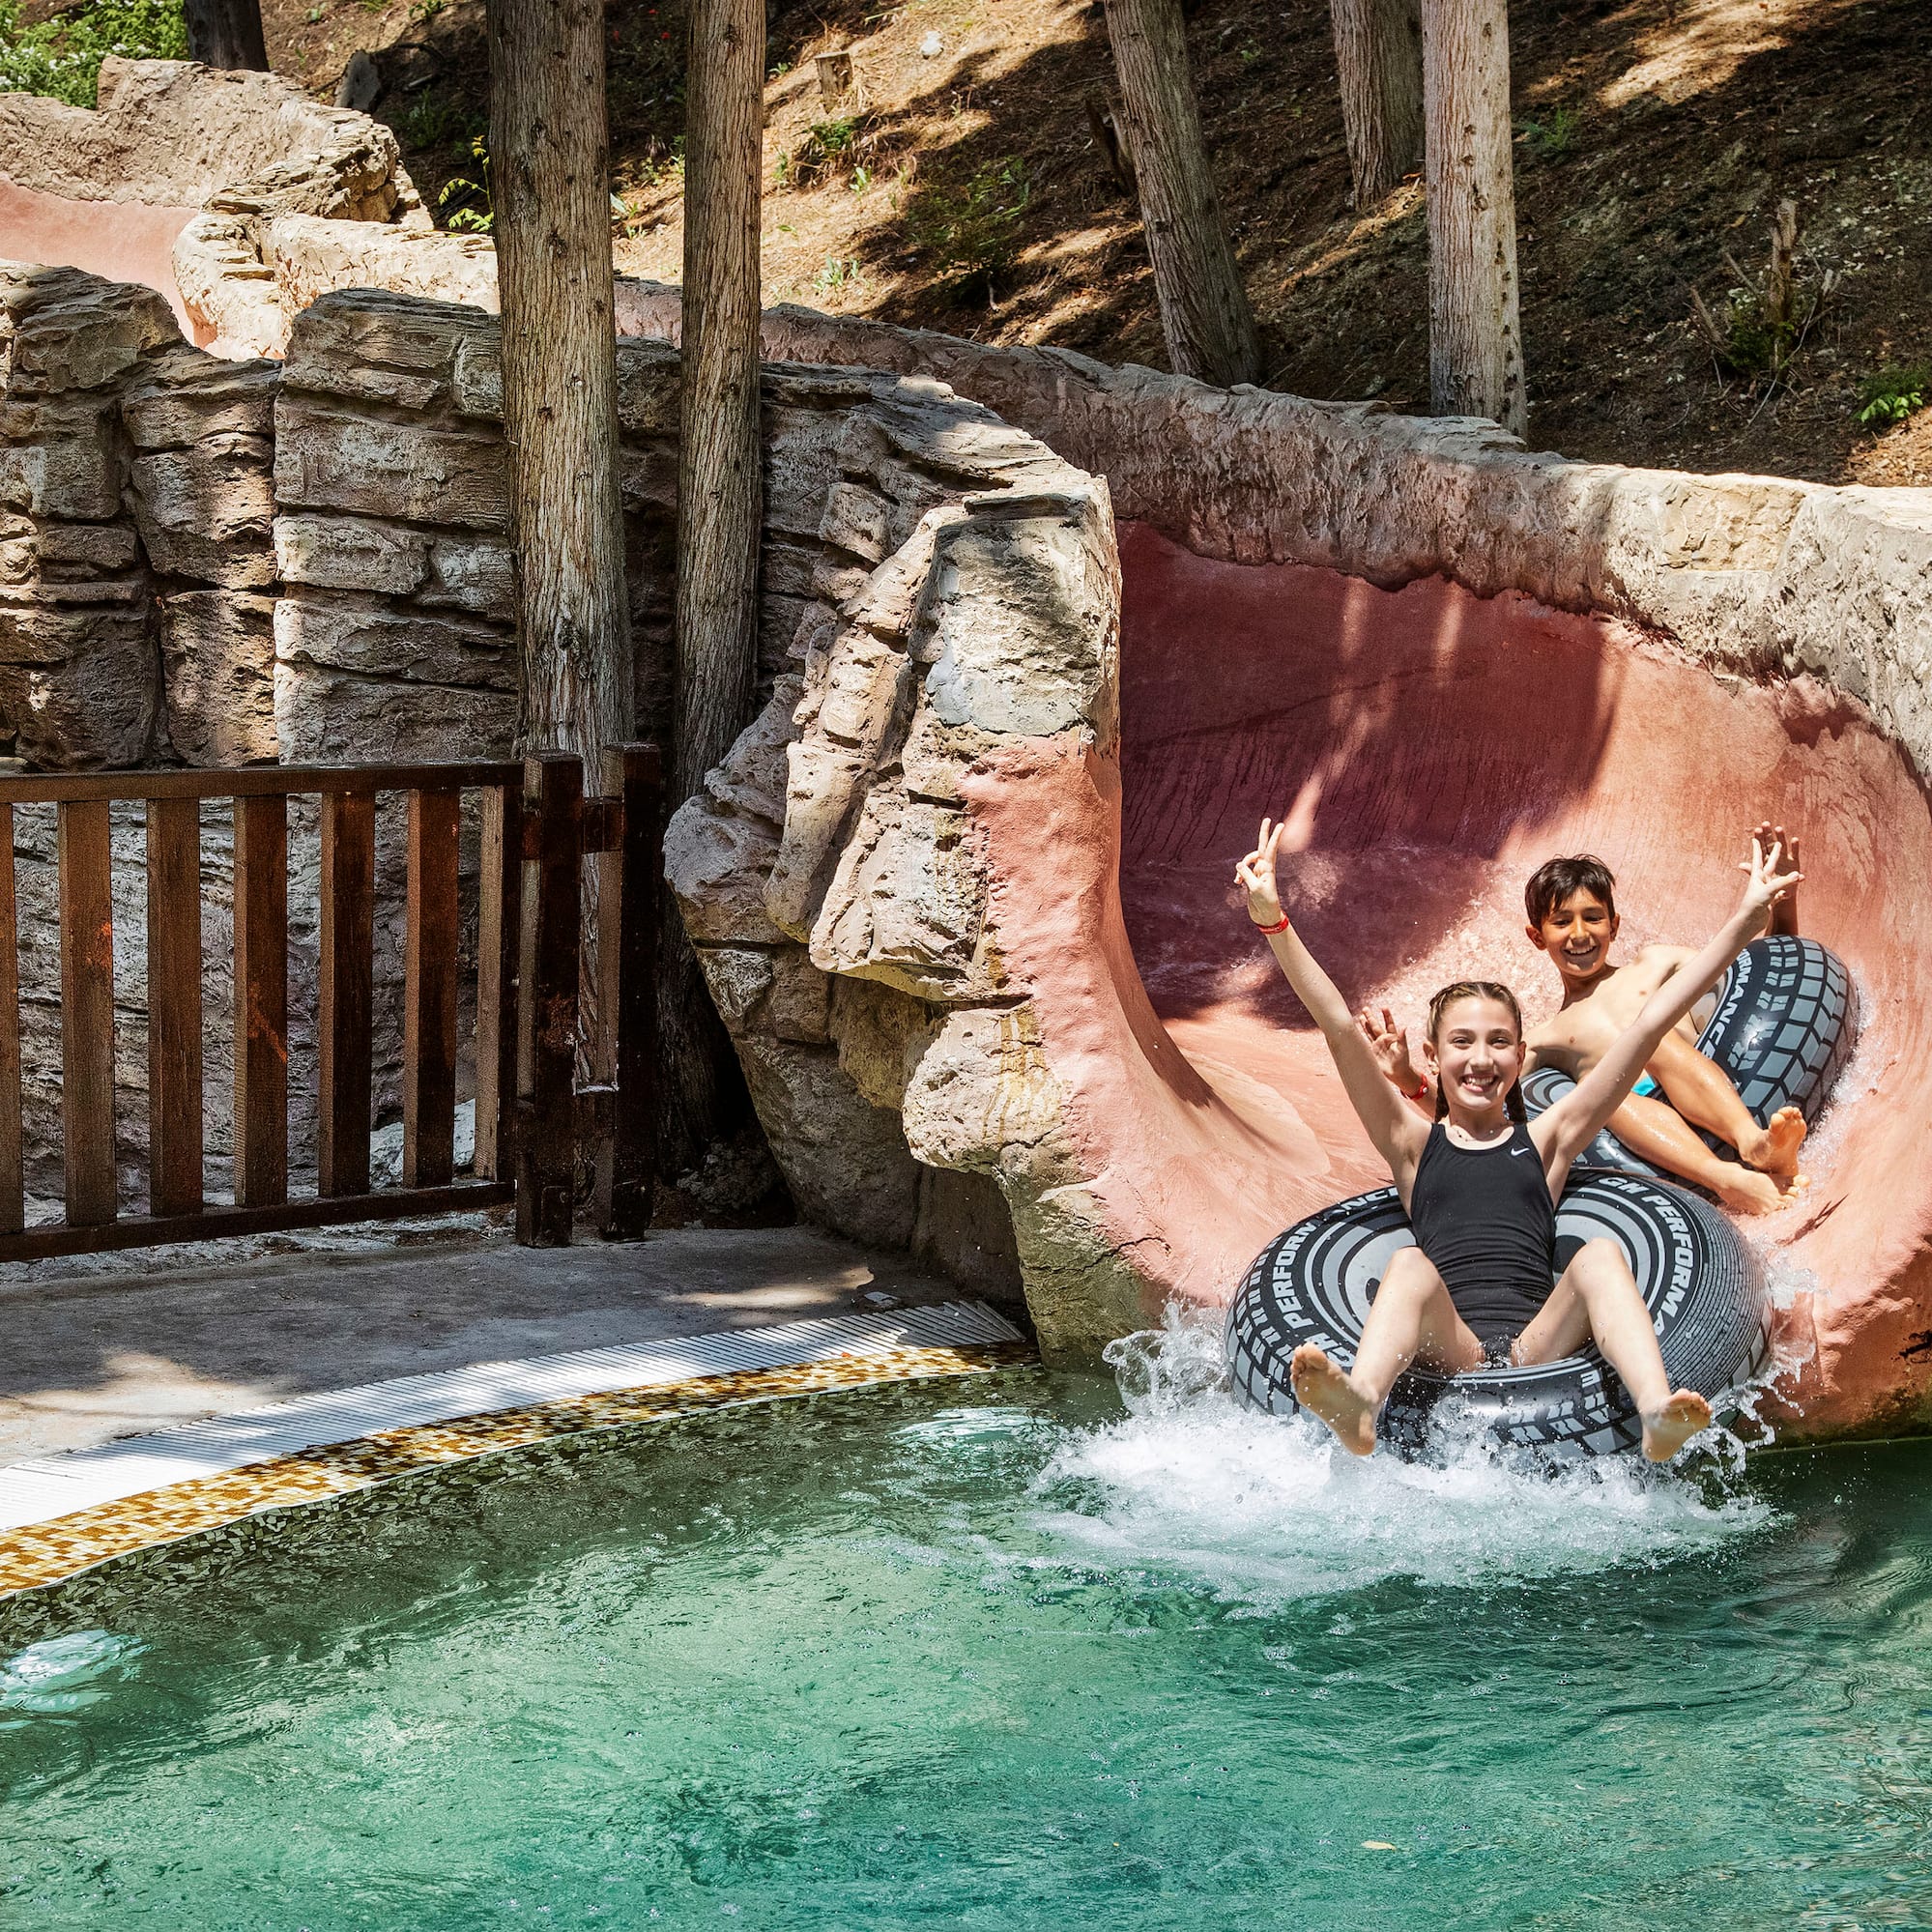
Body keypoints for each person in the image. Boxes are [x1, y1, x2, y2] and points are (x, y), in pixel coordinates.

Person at [1233, 819, 1803, 1461]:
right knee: (1409, 1264)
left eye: (1498, 1041)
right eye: (1462, 1042)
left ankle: (1654, 1414)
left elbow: (1648, 1025)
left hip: (1537, 1340)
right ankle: (1360, 1404)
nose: (1481, 1058)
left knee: (1598, 1257)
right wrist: (1272, 922)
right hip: (1451, 1341)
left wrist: (1747, 913)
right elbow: (1337, 1026)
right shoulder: (1411, 1144)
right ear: (1433, 1055)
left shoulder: (1549, 1138)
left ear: (1519, 1054)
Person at [1356, 823, 1807, 1214]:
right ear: (1537, 936)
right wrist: (1406, 1076)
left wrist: (1781, 901)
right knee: (1604, 1091)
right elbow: (1470, 1100)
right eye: (1561, 922)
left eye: (1593, 917)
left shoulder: (1655, 964)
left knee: (1655, 1039)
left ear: (1614, 924)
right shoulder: (1545, 1039)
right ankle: (1724, 1177)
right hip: (1640, 1121)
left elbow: (1774, 984)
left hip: (1703, 1080)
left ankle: (1754, 1144)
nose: (1579, 934)